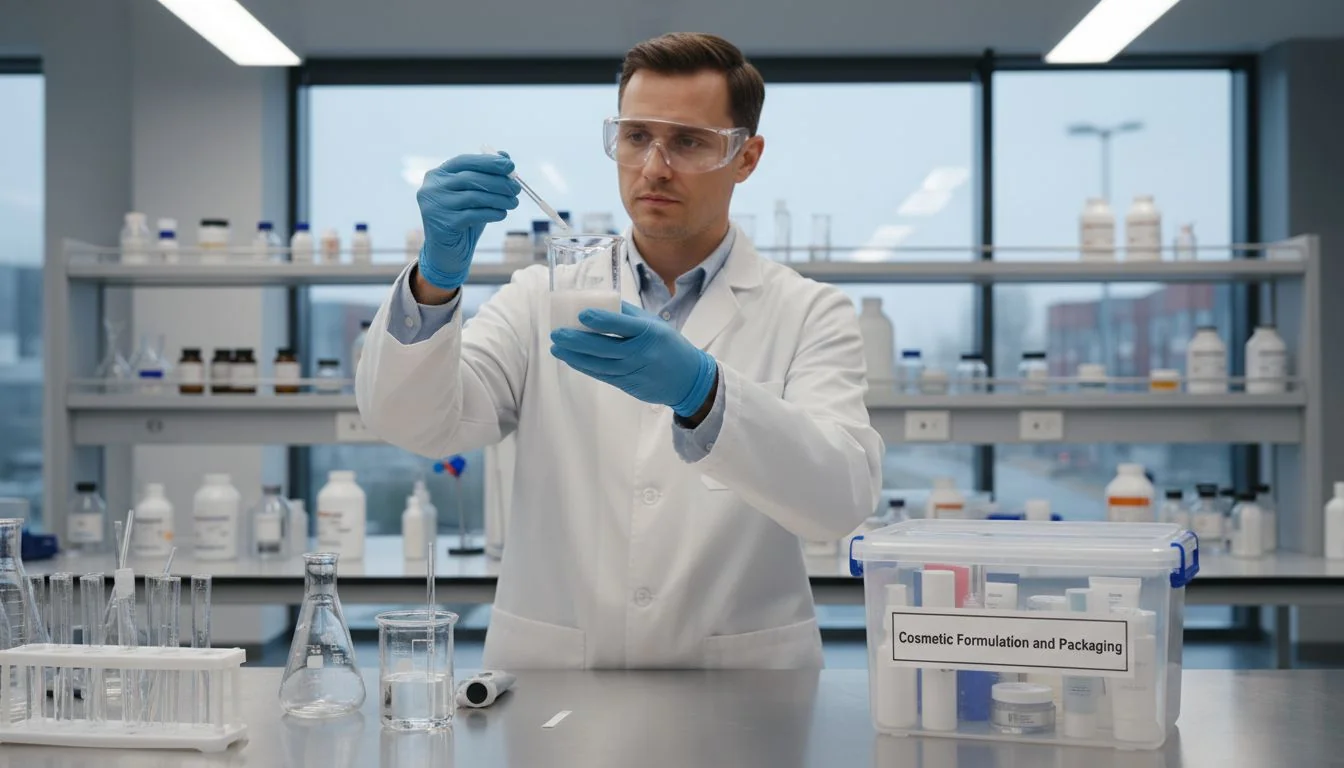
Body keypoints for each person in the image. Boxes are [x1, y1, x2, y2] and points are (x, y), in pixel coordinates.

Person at [356, 32, 883, 669]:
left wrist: (706, 393)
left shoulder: (809, 312)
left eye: (688, 141)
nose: (654, 167)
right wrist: (434, 280)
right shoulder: (539, 296)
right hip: (558, 678)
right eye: (636, 137)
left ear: (746, 157)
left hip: (741, 687)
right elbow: (417, 423)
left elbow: (837, 502)